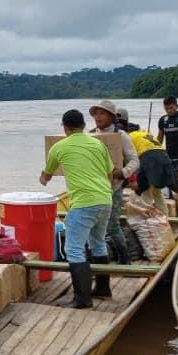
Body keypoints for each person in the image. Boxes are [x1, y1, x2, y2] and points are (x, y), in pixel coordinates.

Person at [40, 110, 113, 309]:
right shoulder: (98, 144)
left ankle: (82, 299)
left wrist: (44, 178)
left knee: (73, 249)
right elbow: (109, 171)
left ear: (65, 127)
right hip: (105, 200)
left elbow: (48, 173)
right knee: (98, 243)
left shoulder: (59, 147)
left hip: (83, 203)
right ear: (82, 125)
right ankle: (103, 290)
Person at [87, 100, 139, 273]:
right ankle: (99, 262)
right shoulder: (90, 135)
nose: (98, 117)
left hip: (113, 187)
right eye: (96, 114)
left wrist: (123, 172)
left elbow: (134, 160)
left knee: (112, 225)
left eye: (102, 113)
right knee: (93, 225)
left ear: (111, 116)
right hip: (93, 188)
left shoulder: (121, 135)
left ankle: (125, 259)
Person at [129, 128, 178, 215]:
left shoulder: (128, 137)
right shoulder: (145, 134)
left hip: (149, 159)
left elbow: (130, 160)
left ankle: (148, 221)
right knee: (157, 191)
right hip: (164, 156)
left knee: (145, 191)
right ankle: (164, 217)